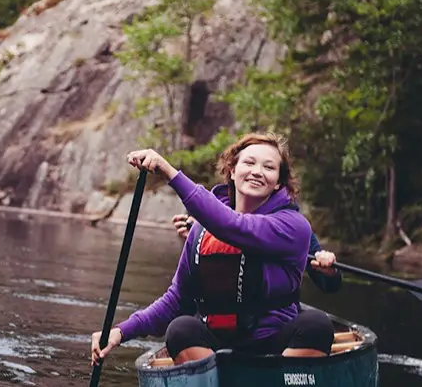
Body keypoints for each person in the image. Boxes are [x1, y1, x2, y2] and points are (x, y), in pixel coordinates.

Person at [90, 132, 336, 367]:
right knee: (181, 328)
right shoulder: (200, 231)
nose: (257, 172)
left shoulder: (293, 226)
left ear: (278, 183)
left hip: (276, 346)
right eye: (249, 163)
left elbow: (233, 226)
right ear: (232, 171)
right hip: (218, 350)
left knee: (316, 325)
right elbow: (176, 301)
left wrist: (170, 172)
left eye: (269, 167)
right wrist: (120, 332)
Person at [173, 214, 343, 294]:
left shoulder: (293, 228)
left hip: (274, 324)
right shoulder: (225, 217)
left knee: (316, 324)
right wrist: (200, 236)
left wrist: (330, 272)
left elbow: (328, 285)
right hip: (224, 317)